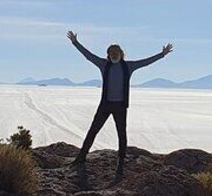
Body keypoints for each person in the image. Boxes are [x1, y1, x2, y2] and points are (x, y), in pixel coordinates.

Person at [67, 31, 173, 179]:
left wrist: (162, 54)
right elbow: (88, 56)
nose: (114, 55)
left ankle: (121, 164)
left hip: (120, 106)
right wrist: (75, 43)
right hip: (105, 105)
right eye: (111, 53)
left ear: (121, 54)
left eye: (116, 52)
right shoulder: (104, 65)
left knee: (121, 134)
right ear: (108, 54)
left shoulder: (128, 67)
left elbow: (145, 62)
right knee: (93, 130)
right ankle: (81, 157)